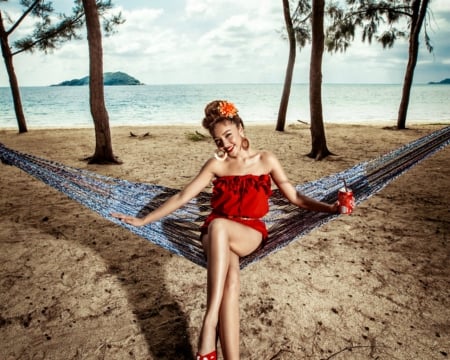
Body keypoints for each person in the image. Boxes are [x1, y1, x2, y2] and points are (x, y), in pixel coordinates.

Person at [112, 100, 339, 360]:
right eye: (218, 140)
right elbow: (182, 197)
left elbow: (295, 197)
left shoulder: (266, 159)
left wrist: (330, 209)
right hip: (214, 234)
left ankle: (208, 324)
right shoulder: (215, 165)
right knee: (230, 282)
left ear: (240, 128)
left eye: (228, 135)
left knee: (220, 226)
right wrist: (144, 220)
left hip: (249, 232)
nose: (225, 144)